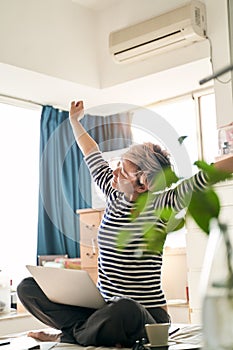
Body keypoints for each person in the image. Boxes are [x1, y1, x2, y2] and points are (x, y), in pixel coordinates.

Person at [17, 100, 233, 348]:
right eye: (118, 165)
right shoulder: (113, 192)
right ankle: (83, 332)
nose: (115, 172)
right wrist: (75, 121)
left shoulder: (164, 204)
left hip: (143, 315)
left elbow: (208, 174)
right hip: (102, 309)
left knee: (126, 309)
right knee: (28, 288)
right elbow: (91, 151)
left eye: (123, 171)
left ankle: (70, 334)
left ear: (144, 185)